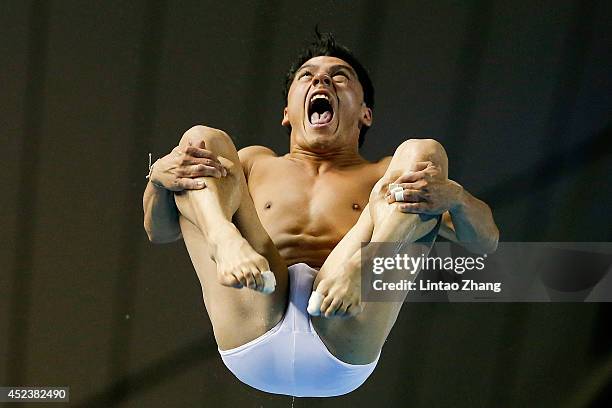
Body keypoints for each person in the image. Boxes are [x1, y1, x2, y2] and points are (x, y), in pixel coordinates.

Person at [142, 32, 499, 397]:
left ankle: (363, 267)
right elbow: (160, 231)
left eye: (339, 76)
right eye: (306, 76)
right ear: (287, 113)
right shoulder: (251, 164)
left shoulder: (386, 174)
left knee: (424, 152)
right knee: (202, 140)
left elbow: (484, 241)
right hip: (251, 320)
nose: (322, 80)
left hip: (345, 336)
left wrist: (454, 197)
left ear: (365, 113)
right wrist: (157, 180)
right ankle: (224, 239)